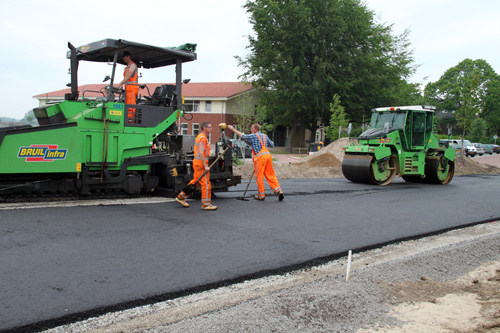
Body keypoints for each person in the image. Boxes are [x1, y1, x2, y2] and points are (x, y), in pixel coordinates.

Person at [227, 123, 284, 201]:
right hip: (268, 156)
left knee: (259, 176)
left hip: (260, 157)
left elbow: (243, 136)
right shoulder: (265, 136)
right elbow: (272, 144)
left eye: (252, 128)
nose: (250, 130)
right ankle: (278, 190)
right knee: (270, 174)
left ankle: (261, 195)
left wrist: (233, 129)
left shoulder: (254, 136)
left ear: (255, 129)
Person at [175, 122, 218, 210]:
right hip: (201, 164)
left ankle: (181, 197)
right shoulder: (202, 138)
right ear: (205, 128)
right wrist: (206, 165)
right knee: (205, 184)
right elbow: (201, 152)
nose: (211, 129)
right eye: (210, 127)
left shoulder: (200, 137)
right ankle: (206, 204)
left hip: (197, 163)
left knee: (195, 181)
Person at [116, 51, 139, 122]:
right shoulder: (127, 67)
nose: (123, 59)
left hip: (132, 88)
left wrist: (119, 84)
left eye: (124, 57)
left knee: (131, 104)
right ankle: (127, 119)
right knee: (126, 104)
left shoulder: (133, 66)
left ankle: (131, 120)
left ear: (128, 57)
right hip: (127, 88)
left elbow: (128, 76)